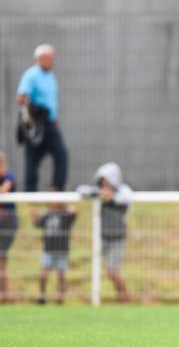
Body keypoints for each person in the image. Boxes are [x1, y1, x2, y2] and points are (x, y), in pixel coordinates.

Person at [16, 44, 69, 192]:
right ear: (40, 58)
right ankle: (30, 193)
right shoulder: (31, 75)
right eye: (49, 58)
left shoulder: (51, 76)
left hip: (50, 123)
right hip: (38, 124)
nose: (52, 61)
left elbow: (52, 102)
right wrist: (33, 112)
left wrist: (55, 120)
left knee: (61, 154)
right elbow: (21, 97)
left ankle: (57, 188)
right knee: (32, 160)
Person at [78, 163, 132, 302]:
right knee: (107, 270)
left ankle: (124, 297)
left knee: (112, 270)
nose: (103, 183)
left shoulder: (123, 191)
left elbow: (127, 197)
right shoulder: (98, 191)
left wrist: (111, 197)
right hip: (102, 236)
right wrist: (98, 194)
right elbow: (81, 191)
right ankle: (122, 297)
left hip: (117, 236)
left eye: (105, 180)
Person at [32, 201, 78, 304]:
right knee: (44, 274)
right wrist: (34, 216)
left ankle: (60, 298)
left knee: (61, 275)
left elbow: (75, 212)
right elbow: (37, 224)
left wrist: (70, 207)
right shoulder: (46, 215)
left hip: (62, 250)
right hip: (48, 250)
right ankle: (42, 295)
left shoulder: (65, 214)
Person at [0, 153, 18, 303]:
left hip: (8, 223)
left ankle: (6, 295)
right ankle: (6, 295)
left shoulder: (9, 177)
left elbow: (4, 190)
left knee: (1, 259)